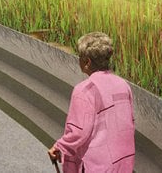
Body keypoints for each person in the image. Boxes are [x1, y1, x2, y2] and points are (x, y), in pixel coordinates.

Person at [48, 31, 135, 173]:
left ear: (87, 62)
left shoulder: (85, 90)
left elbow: (78, 132)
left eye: (80, 57)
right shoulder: (123, 85)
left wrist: (59, 147)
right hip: (123, 162)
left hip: (98, 166)